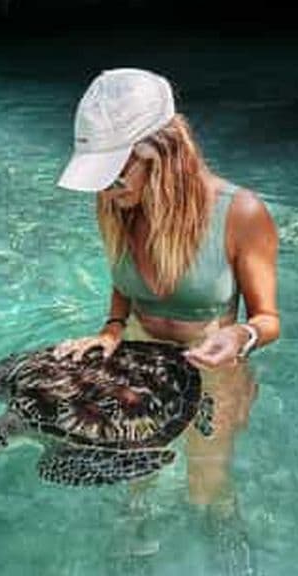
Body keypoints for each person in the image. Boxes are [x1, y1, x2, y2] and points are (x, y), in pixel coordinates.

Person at [54, 67, 280, 523]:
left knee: (206, 483)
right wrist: (113, 328)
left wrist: (240, 338)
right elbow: (123, 275)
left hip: (211, 360)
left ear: (163, 154)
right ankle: (136, 531)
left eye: (115, 175)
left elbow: (268, 319)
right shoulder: (116, 201)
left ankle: (224, 525)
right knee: (134, 475)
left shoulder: (241, 212)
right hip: (137, 355)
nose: (105, 189)